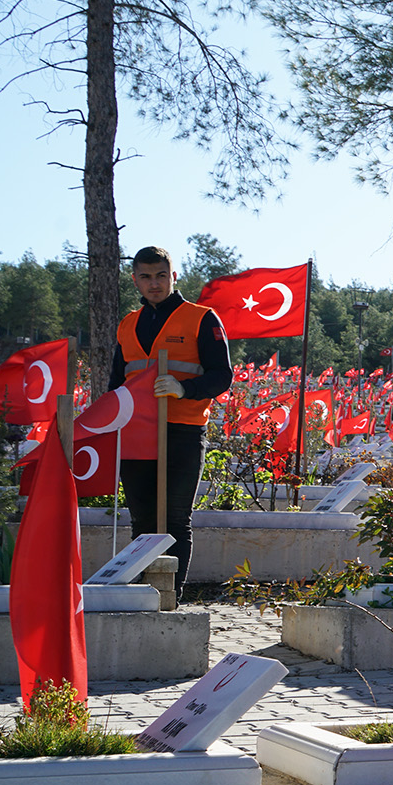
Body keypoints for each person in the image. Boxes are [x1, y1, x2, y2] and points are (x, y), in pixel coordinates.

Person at [112, 246, 233, 595]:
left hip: (183, 430)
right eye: (146, 277)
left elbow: (222, 376)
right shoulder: (127, 324)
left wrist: (184, 388)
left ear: (173, 276)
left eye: (161, 276)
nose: (154, 284)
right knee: (143, 519)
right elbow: (115, 384)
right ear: (135, 280)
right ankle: (141, 592)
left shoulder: (201, 318)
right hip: (136, 433)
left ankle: (169, 597)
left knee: (176, 518)